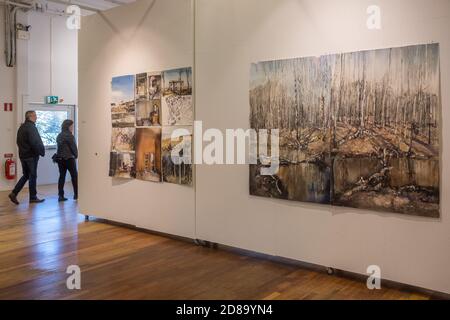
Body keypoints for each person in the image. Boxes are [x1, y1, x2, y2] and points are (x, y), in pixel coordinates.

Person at [8, 111, 45, 205]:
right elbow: (34, 142)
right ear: (30, 117)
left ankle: (14, 193)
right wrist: (40, 152)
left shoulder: (22, 127)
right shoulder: (31, 127)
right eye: (35, 115)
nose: (36, 117)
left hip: (23, 155)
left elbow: (18, 142)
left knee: (26, 175)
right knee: (32, 176)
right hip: (31, 156)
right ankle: (33, 197)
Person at [55, 119, 78, 202]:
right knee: (74, 176)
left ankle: (60, 195)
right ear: (68, 126)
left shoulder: (59, 135)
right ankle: (76, 194)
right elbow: (73, 148)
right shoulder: (70, 136)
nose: (72, 128)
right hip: (69, 159)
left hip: (60, 159)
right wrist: (76, 155)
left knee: (62, 176)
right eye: (72, 126)